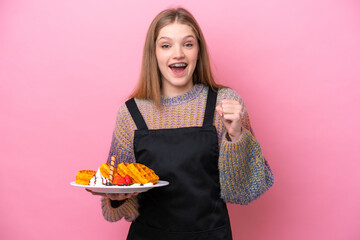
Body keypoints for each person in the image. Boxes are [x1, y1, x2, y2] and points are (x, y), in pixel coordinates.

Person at [87, 7, 274, 240]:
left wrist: (236, 136)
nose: (178, 54)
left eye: (188, 44)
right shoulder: (131, 113)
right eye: (166, 45)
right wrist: (117, 200)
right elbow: (117, 202)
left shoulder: (226, 103)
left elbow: (243, 192)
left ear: (198, 51)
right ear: (153, 53)